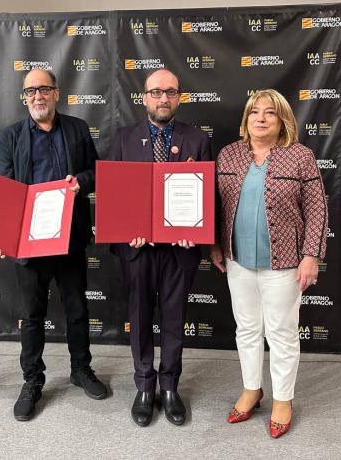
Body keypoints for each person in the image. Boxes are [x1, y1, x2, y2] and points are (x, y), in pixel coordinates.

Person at [0, 68, 107, 421]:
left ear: (57, 93)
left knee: (77, 310)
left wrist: (78, 182)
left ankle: (81, 370)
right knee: (33, 316)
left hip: (70, 237)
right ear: (24, 97)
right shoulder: (10, 136)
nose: (37, 96)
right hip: (29, 242)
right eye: (30, 91)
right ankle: (32, 379)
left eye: (44, 89)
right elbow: (5, 188)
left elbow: (96, 171)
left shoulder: (78, 129)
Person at [210, 89, 327, 438]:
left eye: (270, 113)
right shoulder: (228, 155)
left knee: (281, 333)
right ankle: (251, 389)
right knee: (246, 328)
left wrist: (311, 255)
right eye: (254, 112)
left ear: (282, 120)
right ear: (246, 120)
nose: (261, 118)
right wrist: (215, 244)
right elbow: (215, 205)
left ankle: (283, 399)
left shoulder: (300, 156)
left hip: (286, 262)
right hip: (238, 260)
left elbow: (317, 208)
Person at [108, 69, 212, 426]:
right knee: (138, 317)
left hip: (179, 249)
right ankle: (144, 386)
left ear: (179, 97)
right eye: (156, 92)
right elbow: (114, 195)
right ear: (144, 97)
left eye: (170, 92)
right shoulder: (122, 139)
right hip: (137, 249)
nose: (163, 99)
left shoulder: (197, 139)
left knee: (173, 318)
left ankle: (169, 386)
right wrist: (126, 230)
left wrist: (193, 230)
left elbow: (206, 194)